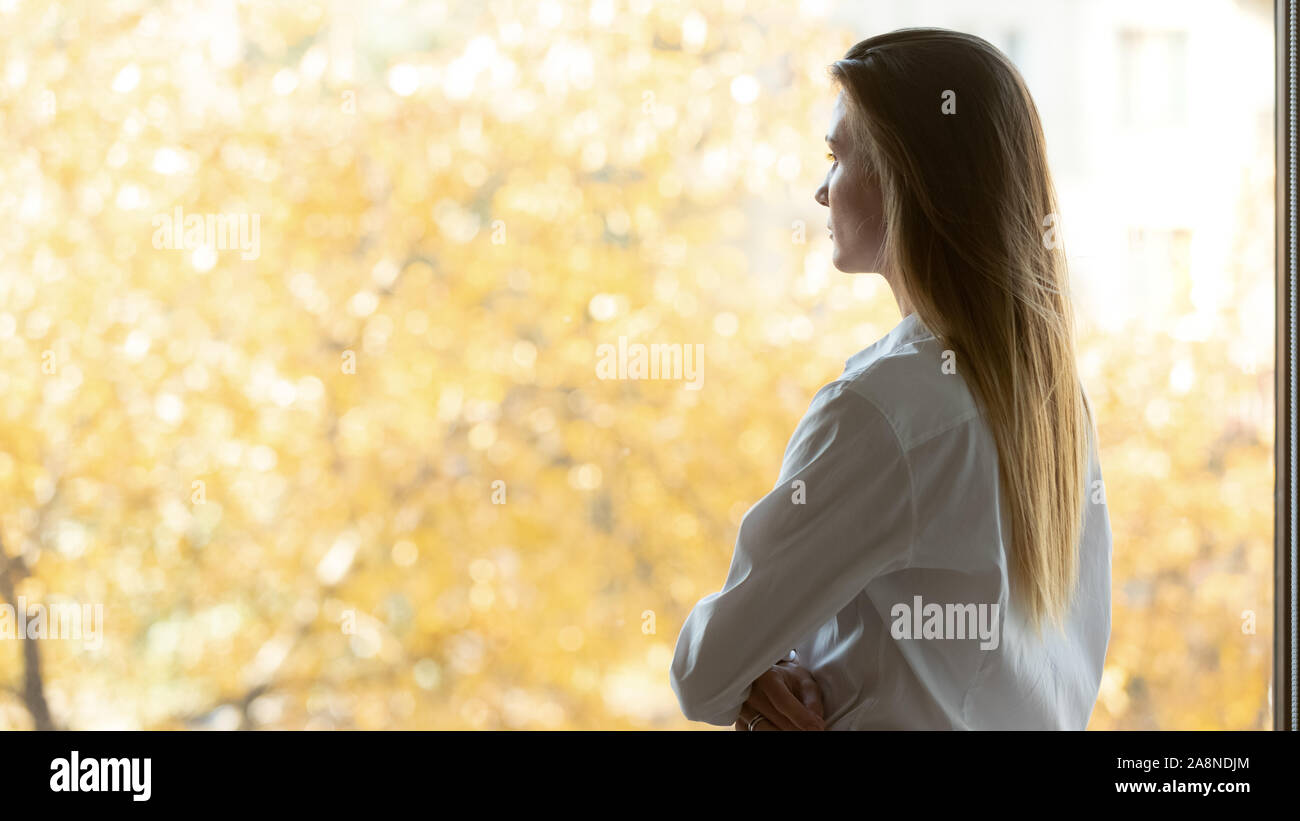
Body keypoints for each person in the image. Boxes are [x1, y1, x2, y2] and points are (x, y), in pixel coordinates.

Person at [669, 28, 1112, 730]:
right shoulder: (1053, 399)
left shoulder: (883, 413)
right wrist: (786, 672)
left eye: (837, 156)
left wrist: (764, 672)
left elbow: (704, 674)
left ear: (904, 179)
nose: (820, 190)